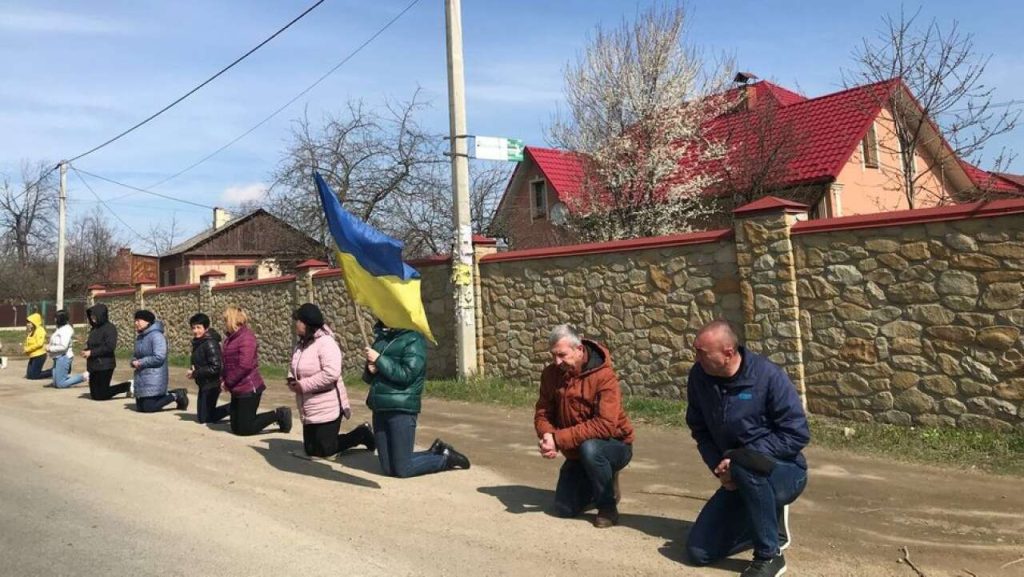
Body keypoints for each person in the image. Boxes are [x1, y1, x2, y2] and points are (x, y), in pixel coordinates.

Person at [684, 320, 810, 577]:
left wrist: (740, 457)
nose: (696, 358)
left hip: (783, 470)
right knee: (699, 552)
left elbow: (796, 434)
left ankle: (769, 555)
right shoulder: (699, 377)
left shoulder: (768, 377)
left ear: (729, 352)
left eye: (702, 352)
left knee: (746, 464)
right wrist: (719, 469)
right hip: (736, 472)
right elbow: (700, 429)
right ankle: (763, 524)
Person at [534, 324, 635, 529]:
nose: (557, 361)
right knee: (563, 509)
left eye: (562, 355)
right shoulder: (550, 375)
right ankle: (596, 481)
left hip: (613, 445)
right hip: (576, 450)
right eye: (553, 355)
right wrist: (547, 436)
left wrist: (558, 439)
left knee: (591, 449)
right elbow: (543, 412)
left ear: (579, 349)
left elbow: (605, 426)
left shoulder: (604, 377)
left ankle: (607, 506)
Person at [363, 319, 469, 478]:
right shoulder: (381, 339)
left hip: (401, 408)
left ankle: (444, 458)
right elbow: (373, 378)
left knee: (402, 469)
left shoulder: (413, 339)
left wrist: (379, 360)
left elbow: (407, 375)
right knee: (388, 468)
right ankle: (434, 452)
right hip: (380, 407)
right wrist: (370, 370)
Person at [288, 303, 373, 458]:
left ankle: (362, 434)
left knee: (325, 449)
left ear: (307, 324)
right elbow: (295, 365)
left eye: (299, 321)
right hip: (309, 404)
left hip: (328, 403)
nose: (296, 324)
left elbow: (331, 373)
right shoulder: (300, 345)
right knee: (311, 449)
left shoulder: (326, 343)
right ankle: (330, 441)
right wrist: (291, 379)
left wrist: (303, 385)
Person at [221, 306, 291, 435]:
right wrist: (223, 379)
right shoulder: (229, 339)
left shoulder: (247, 337)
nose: (224, 323)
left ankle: (279, 414)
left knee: (245, 429)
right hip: (236, 388)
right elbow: (226, 363)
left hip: (249, 388)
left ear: (232, 320)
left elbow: (245, 366)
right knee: (236, 428)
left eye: (225, 320)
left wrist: (228, 382)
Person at [131, 310, 188, 413]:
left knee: (149, 407)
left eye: (138, 320)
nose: (136, 323)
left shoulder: (157, 336)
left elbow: (159, 357)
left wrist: (141, 362)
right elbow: (135, 355)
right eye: (135, 321)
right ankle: (166, 394)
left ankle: (177, 395)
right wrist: (133, 361)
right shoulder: (140, 337)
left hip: (155, 376)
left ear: (147, 321)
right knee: (140, 408)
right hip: (141, 377)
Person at [82, 303, 130, 400]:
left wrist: (91, 353)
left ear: (100, 315)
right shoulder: (94, 329)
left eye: (94, 316)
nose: (92, 318)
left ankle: (127, 386)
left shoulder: (110, 328)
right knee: (94, 395)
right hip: (94, 365)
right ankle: (120, 388)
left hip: (105, 365)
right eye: (91, 316)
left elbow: (109, 347)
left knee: (101, 395)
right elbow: (93, 345)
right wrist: (86, 350)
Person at [186, 313, 226, 424]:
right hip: (203, 383)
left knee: (205, 419)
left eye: (199, 327)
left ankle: (234, 408)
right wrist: (193, 370)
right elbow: (199, 360)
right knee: (202, 417)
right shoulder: (198, 342)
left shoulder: (210, 343)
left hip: (212, 383)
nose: (195, 330)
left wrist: (195, 373)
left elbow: (216, 367)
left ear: (206, 328)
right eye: (193, 328)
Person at [47, 309, 86, 388]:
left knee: (60, 384)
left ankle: (84, 376)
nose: (54, 320)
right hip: (57, 357)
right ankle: (65, 377)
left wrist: (50, 349)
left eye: (56, 318)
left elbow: (63, 347)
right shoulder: (60, 328)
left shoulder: (66, 330)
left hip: (63, 357)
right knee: (55, 383)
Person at [23, 312, 49, 379]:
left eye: (29, 322)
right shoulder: (32, 331)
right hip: (33, 355)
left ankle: (53, 371)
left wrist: (28, 349)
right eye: (27, 322)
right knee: (29, 375)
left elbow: (39, 343)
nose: (27, 324)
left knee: (34, 376)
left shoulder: (40, 330)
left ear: (34, 322)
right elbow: (28, 342)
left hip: (39, 355)